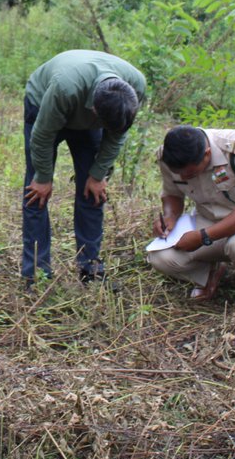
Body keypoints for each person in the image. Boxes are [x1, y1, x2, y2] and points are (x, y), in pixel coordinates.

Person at [22, 50, 146, 285]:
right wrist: (44, 176)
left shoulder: (135, 86)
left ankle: (91, 269)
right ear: (94, 113)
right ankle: (37, 275)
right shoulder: (65, 88)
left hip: (88, 106)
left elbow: (118, 136)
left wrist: (99, 174)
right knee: (36, 193)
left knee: (93, 191)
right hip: (43, 104)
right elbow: (42, 135)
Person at [146, 125, 235, 315]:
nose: (182, 177)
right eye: (179, 173)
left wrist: (203, 237)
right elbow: (172, 193)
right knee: (160, 257)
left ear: (207, 154)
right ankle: (209, 274)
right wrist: (169, 217)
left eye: (189, 174)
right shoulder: (170, 155)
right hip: (206, 219)